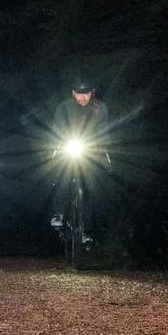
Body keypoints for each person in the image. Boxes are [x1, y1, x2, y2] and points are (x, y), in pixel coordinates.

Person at [49, 76, 111, 242]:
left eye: (86, 93)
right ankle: (59, 214)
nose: (82, 97)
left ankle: (87, 231)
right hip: (69, 147)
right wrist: (56, 146)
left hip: (91, 151)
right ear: (73, 93)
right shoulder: (64, 108)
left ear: (92, 93)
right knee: (62, 174)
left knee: (91, 187)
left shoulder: (100, 107)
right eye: (79, 93)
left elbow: (104, 132)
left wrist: (105, 152)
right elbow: (57, 130)